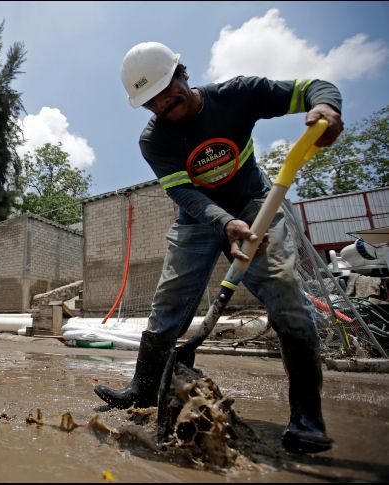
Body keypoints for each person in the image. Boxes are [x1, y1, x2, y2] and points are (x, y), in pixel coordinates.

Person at [93, 42, 343, 454]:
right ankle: (143, 388)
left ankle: (306, 419)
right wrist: (224, 223)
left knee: (285, 292)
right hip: (198, 219)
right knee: (168, 302)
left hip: (254, 205)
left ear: (182, 73)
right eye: (150, 101)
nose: (161, 104)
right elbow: (184, 193)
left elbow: (314, 87)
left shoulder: (238, 95)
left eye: (165, 90)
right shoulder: (153, 140)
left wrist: (326, 106)